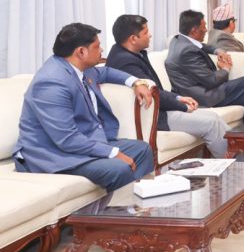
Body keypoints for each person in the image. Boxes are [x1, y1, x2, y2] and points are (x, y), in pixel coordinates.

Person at [13, 23, 155, 192]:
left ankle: (140, 200)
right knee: (118, 168)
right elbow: (67, 139)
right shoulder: (51, 83)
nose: (102, 50)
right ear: (81, 52)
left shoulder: (79, 67)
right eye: (97, 46)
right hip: (51, 154)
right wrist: (112, 152)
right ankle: (121, 207)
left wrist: (136, 82)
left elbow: (106, 72)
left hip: (82, 143)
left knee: (142, 149)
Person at [106, 14, 229, 158]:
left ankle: (241, 159)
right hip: (155, 117)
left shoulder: (129, 53)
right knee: (211, 123)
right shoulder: (125, 62)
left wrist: (178, 98)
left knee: (214, 117)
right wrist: (181, 104)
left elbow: (155, 90)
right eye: (146, 32)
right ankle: (234, 165)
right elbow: (152, 93)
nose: (150, 35)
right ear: (133, 38)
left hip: (160, 109)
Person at [165, 10, 244, 123]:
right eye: (204, 26)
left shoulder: (178, 40)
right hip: (202, 96)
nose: (206, 30)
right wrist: (226, 69)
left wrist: (218, 51)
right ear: (194, 30)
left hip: (200, 90)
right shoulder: (187, 51)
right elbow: (211, 80)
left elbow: (202, 46)